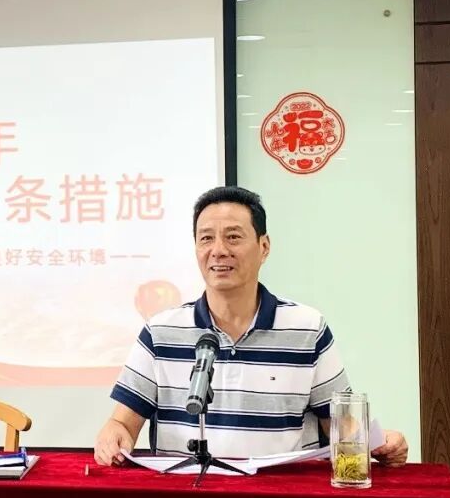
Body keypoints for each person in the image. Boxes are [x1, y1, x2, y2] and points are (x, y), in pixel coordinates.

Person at [94, 186, 408, 467]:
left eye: (233, 237)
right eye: (206, 238)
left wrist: (379, 442)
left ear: (264, 247)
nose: (218, 250)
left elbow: (342, 428)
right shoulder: (160, 331)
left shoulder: (307, 329)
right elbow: (122, 424)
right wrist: (113, 435)